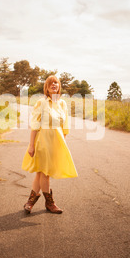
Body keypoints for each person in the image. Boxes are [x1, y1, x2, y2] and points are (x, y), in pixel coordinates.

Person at [21, 75, 78, 214]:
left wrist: (61, 144)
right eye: (50, 83)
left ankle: (30, 202)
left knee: (41, 173)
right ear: (46, 87)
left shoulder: (63, 104)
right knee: (44, 173)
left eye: (56, 83)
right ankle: (50, 203)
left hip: (56, 141)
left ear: (59, 86)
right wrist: (31, 145)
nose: (54, 84)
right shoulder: (41, 103)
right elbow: (34, 125)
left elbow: (65, 127)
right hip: (43, 140)